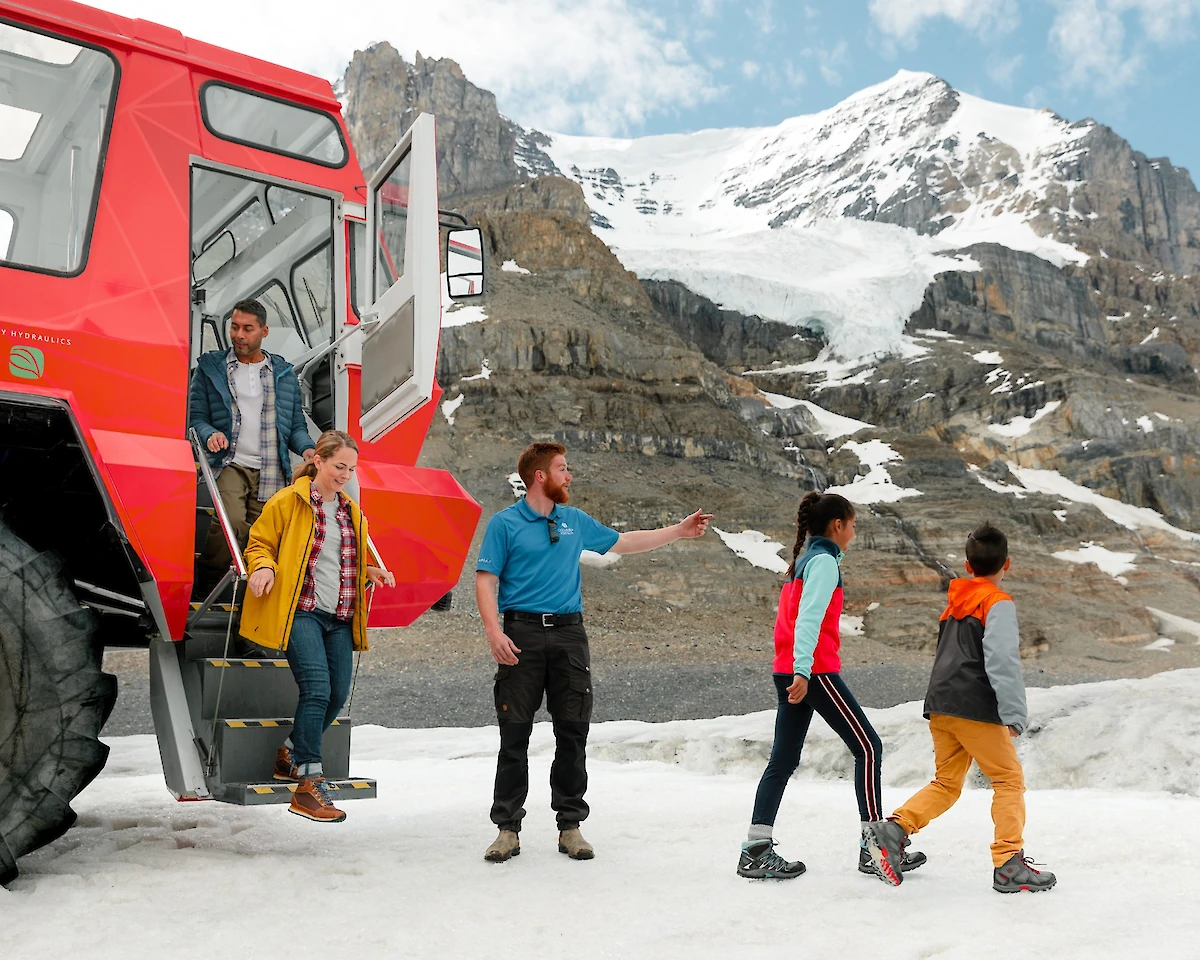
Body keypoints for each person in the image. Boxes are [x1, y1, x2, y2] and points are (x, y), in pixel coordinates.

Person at [476, 442, 711, 863]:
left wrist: (678, 531)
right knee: (514, 735)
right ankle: (507, 830)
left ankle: (570, 826)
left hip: (569, 636)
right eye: (562, 469)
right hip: (521, 634)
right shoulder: (505, 524)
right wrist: (494, 632)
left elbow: (623, 542)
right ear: (540, 476)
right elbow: (485, 580)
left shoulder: (574, 520)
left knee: (573, 733)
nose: (569, 476)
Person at [738, 491, 925, 884]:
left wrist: (794, 669)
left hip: (790, 668)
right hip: (814, 672)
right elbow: (807, 621)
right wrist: (804, 672)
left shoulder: (804, 561)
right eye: (853, 525)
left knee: (783, 760)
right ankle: (874, 848)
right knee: (869, 747)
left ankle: (755, 850)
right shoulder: (822, 562)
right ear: (837, 525)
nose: (854, 533)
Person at [873, 523, 1056, 893]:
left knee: (947, 782)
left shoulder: (952, 605)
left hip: (941, 704)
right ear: (1008, 564)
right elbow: (1003, 661)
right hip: (975, 705)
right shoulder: (997, 602)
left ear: (967, 566)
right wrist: (1014, 714)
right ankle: (1009, 864)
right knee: (1008, 780)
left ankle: (894, 830)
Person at [240, 429, 395, 823]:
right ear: (319, 462)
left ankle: (289, 752)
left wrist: (370, 570)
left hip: (339, 616)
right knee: (317, 689)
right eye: (339, 466)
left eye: (351, 468)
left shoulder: (350, 511)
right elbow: (259, 542)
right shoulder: (289, 501)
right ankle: (308, 785)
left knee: (336, 694)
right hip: (302, 611)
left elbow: (343, 561)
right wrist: (262, 568)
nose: (344, 474)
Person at [189, 298, 315, 594]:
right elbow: (195, 417)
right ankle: (208, 587)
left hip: (272, 469)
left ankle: (248, 595)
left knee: (265, 535)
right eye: (234, 327)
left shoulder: (283, 374)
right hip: (230, 462)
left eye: (247, 329)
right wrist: (209, 435)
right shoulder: (210, 368)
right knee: (231, 523)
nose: (239, 335)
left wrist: (308, 449)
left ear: (264, 331)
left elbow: (295, 425)